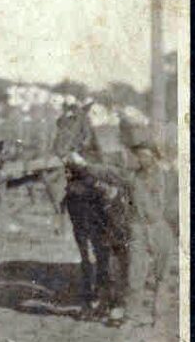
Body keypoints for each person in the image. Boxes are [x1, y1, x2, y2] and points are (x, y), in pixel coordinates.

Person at [69, 123, 174, 326]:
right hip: (137, 228)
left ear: (154, 156)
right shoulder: (131, 177)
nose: (142, 159)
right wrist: (84, 166)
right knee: (135, 273)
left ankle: (158, 316)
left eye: (146, 155)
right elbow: (109, 172)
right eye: (139, 156)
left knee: (162, 274)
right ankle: (131, 316)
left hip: (161, 226)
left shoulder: (169, 177)